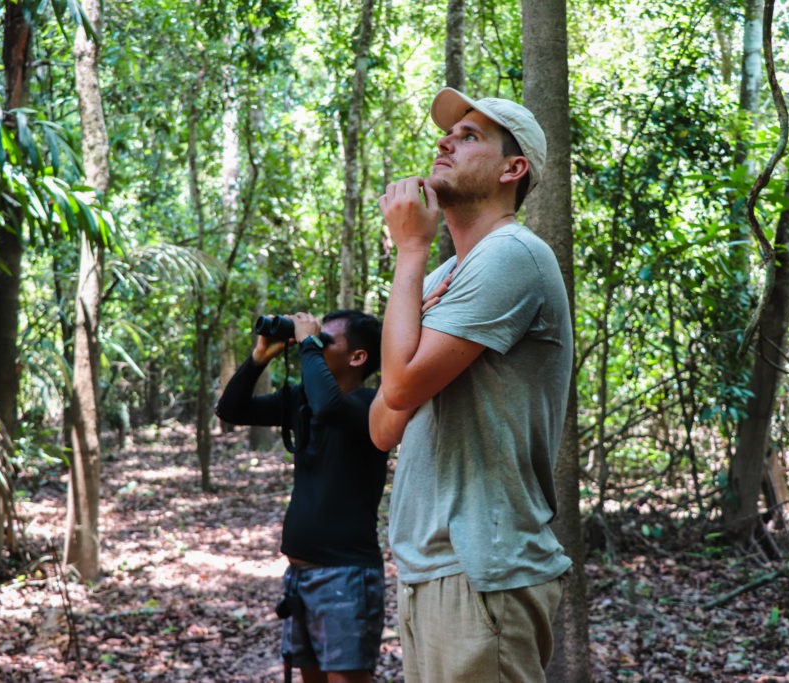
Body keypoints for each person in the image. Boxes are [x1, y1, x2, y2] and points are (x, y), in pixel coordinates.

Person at [369, 87, 574, 682]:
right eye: (448, 132)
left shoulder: (513, 253)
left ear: (514, 169)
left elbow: (400, 388)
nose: (445, 141)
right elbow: (383, 428)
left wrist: (408, 249)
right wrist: (418, 267)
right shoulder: (443, 274)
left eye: (469, 136)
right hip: (428, 568)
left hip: (483, 569)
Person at [216, 310, 388, 683]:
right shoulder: (303, 401)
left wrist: (308, 345)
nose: (312, 344)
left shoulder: (372, 405)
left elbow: (331, 408)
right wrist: (260, 357)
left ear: (357, 357)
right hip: (300, 574)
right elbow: (230, 410)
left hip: (347, 575)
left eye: (325, 341)